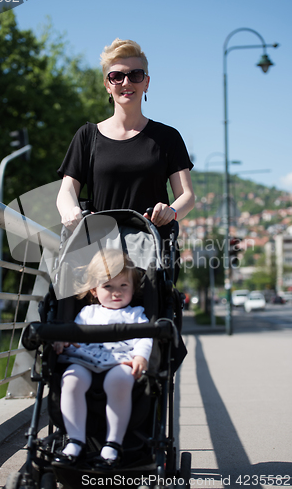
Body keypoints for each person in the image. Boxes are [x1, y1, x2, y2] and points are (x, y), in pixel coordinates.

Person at [56, 38, 195, 232]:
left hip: (153, 252)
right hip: (100, 252)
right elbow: (67, 191)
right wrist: (70, 211)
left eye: (135, 75)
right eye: (116, 76)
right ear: (107, 85)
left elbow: (187, 196)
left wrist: (171, 211)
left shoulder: (168, 137)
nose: (126, 82)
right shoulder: (87, 136)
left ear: (146, 83)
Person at [53, 249, 153, 469]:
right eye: (108, 286)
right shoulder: (88, 313)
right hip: (85, 361)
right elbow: (73, 333)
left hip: (120, 362)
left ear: (133, 288)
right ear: (94, 290)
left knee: (119, 381)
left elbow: (145, 338)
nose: (116, 292)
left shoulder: (136, 314)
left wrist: (140, 356)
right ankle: (75, 441)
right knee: (70, 380)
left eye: (123, 286)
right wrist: (62, 340)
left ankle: (113, 444)